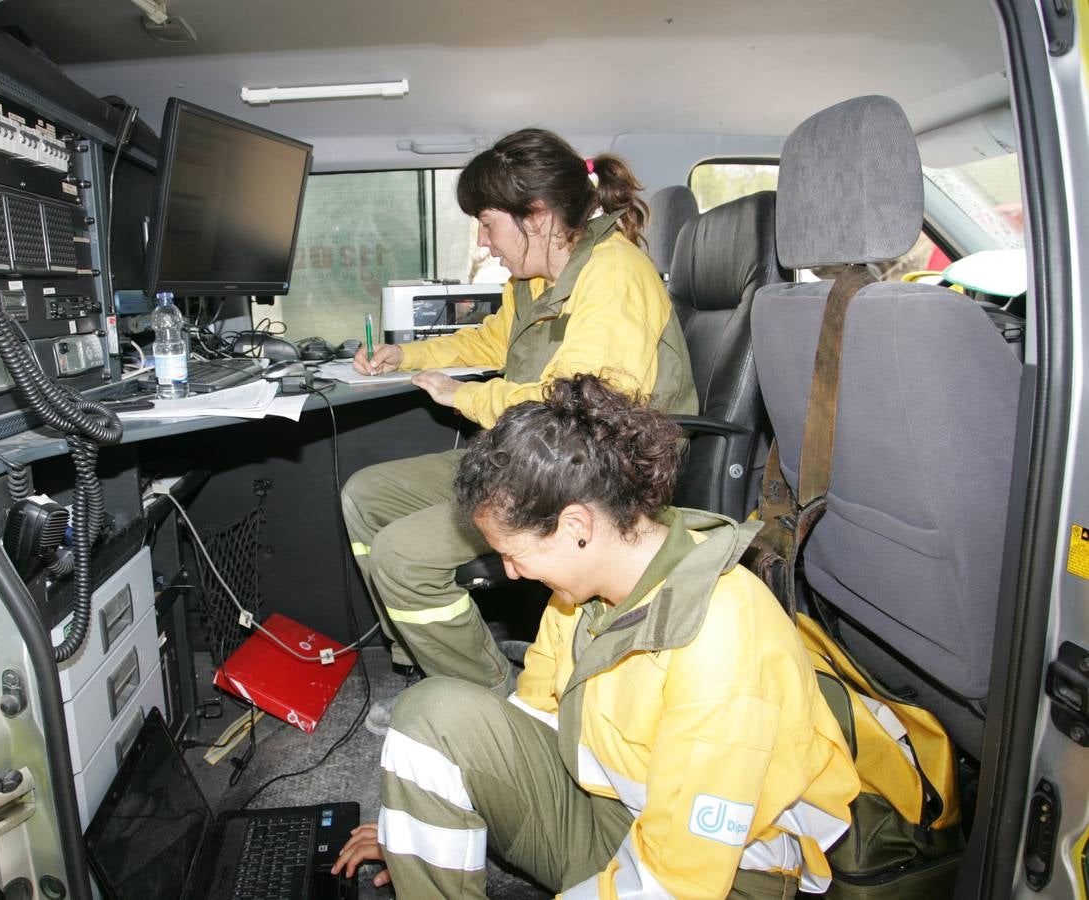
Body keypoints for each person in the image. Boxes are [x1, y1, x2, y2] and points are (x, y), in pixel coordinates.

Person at [333, 375, 861, 898]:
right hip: (613, 816)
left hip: (723, 875)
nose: (511, 572)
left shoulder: (723, 636)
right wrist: (421, 828)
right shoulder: (578, 595)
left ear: (574, 526)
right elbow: (530, 717)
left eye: (514, 553)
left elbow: (678, 880)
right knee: (431, 712)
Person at [342, 128, 697, 733]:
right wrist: (410, 357)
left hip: (596, 473)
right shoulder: (535, 278)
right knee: (364, 496)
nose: (483, 242)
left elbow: (576, 404)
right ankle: (432, 664)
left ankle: (498, 713)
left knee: (403, 557)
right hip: (539, 456)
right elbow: (491, 340)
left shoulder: (613, 275)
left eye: (486, 224)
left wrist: (466, 395)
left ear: (536, 216)